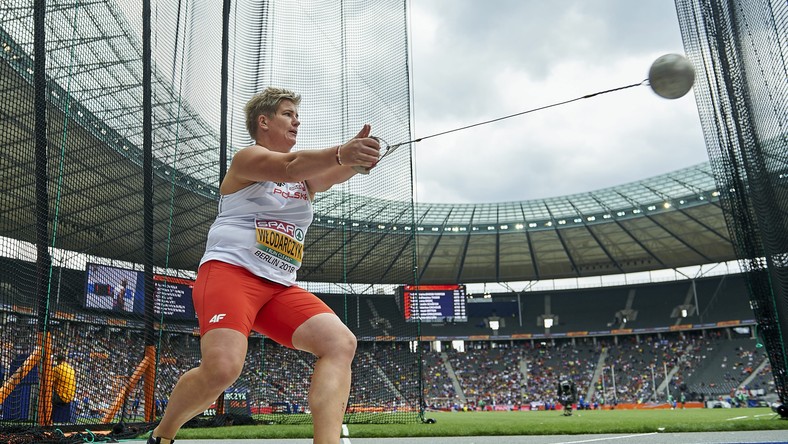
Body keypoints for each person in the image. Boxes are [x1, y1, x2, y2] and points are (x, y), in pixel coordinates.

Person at [148, 87, 380, 444]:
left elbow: (331, 171)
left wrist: (358, 159)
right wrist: (339, 152)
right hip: (230, 274)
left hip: (279, 286)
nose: (296, 121)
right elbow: (289, 167)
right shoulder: (248, 159)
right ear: (264, 121)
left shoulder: (306, 181)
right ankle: (163, 435)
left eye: (296, 115)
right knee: (222, 370)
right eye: (288, 114)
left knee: (339, 343)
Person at [52, 354, 76, 422]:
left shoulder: (57, 368)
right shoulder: (71, 369)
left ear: (59, 361)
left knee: (44, 398)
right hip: (70, 396)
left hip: (60, 397)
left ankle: (47, 420)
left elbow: (49, 382)